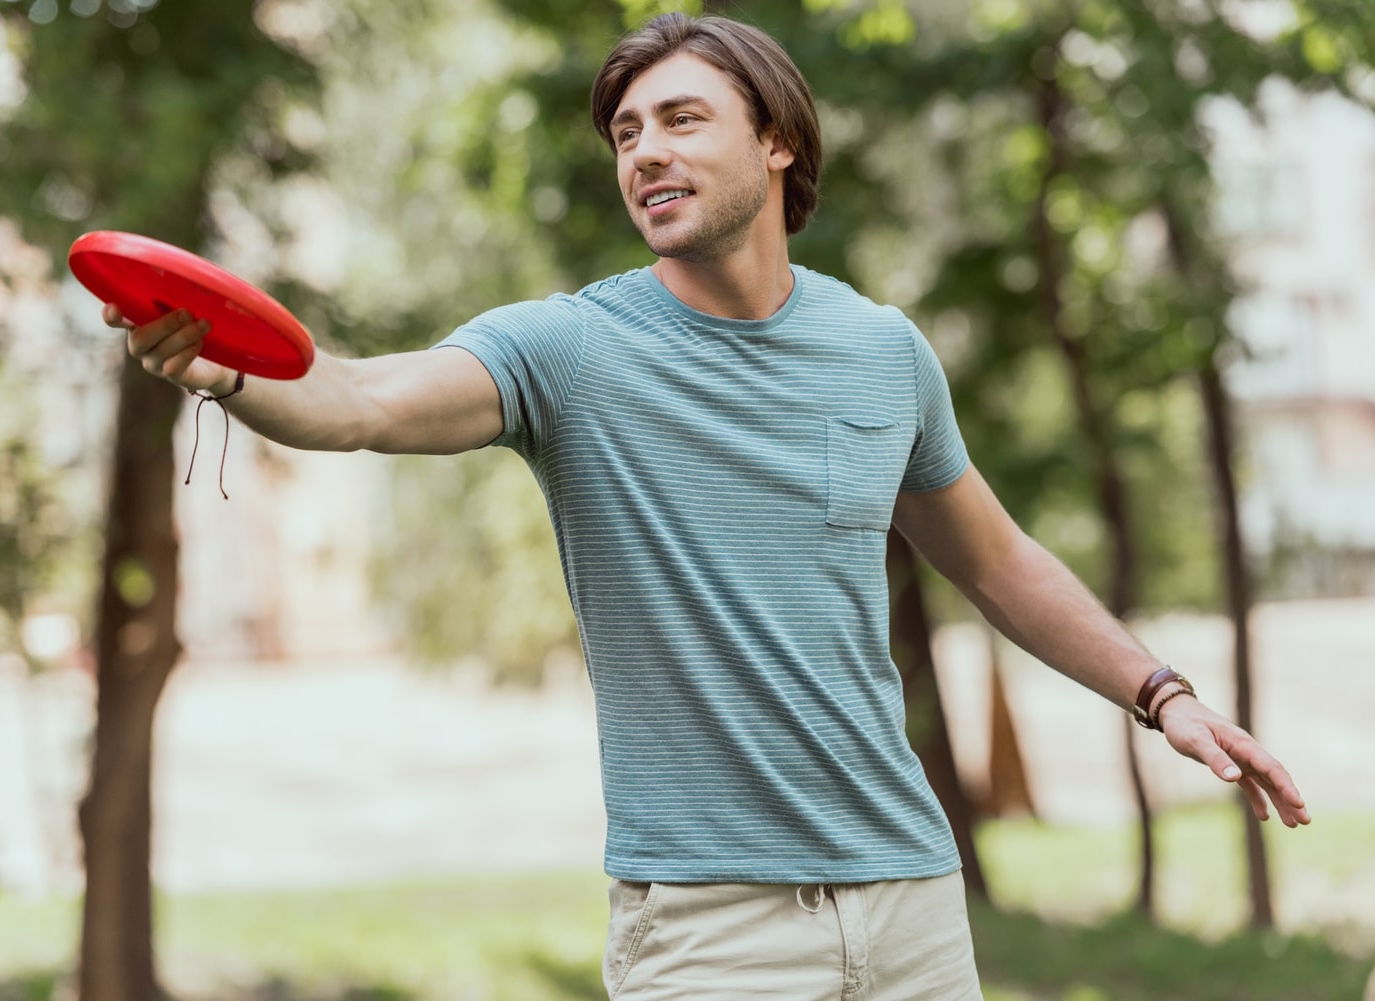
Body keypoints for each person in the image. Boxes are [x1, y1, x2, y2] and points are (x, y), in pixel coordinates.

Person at [110, 12, 1311, 1000]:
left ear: (778, 142)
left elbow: (999, 562)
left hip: (911, 901)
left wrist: (1163, 695)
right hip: (710, 927)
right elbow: (360, 398)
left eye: (682, 119)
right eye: (627, 132)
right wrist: (223, 369)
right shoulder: (568, 350)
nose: (643, 151)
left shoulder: (880, 349)